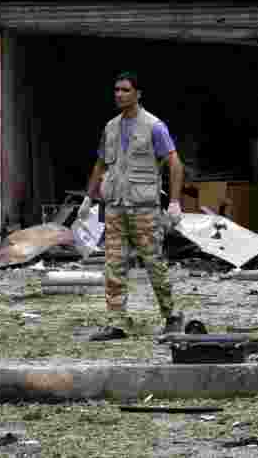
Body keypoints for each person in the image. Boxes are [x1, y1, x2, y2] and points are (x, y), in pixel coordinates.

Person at [82, 72, 185, 342]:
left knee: (154, 263)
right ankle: (117, 322)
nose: (119, 94)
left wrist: (174, 201)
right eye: (116, 90)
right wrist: (89, 198)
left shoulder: (154, 126)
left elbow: (175, 164)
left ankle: (172, 316)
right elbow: (101, 164)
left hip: (144, 209)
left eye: (125, 90)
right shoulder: (110, 127)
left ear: (138, 94)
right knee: (113, 266)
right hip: (115, 207)